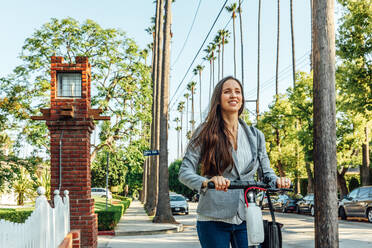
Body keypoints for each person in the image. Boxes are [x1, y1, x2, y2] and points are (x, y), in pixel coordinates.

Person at [178, 76, 291, 248]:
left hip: (248, 215)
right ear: (218, 98)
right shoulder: (204, 132)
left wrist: (277, 180)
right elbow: (184, 172)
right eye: (227, 91)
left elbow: (267, 173)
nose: (233, 95)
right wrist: (207, 182)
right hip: (213, 218)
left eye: (238, 92)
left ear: (242, 99)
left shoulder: (256, 136)